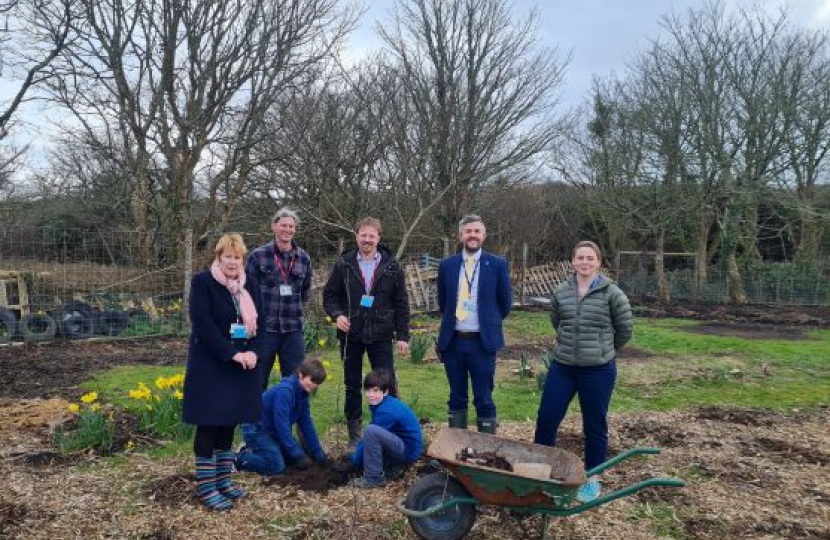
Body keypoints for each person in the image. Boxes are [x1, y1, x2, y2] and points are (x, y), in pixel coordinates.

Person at [533, 240, 633, 503]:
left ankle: (592, 479)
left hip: (597, 371)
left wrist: (602, 351)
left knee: (594, 425)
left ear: (598, 262)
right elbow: (557, 321)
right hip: (563, 367)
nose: (585, 262)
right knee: (546, 418)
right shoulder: (562, 290)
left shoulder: (613, 293)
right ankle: (541, 471)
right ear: (573, 261)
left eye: (590, 258)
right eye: (580, 258)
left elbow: (625, 330)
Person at [182, 233, 262, 511]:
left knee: (229, 421)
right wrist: (231, 353)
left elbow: (261, 322)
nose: (232, 262)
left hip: (240, 365)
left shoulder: (248, 285)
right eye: (227, 256)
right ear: (218, 257)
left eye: (237, 257)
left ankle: (223, 481)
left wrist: (253, 351)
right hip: (211, 364)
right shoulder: (203, 283)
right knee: (209, 422)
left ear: (243, 260)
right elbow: (202, 325)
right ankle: (206, 487)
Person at [323, 217, 410, 449]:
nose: (367, 240)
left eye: (372, 236)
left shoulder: (392, 266)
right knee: (352, 384)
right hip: (351, 334)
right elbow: (329, 296)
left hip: (381, 333)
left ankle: (389, 431)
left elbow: (401, 302)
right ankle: (354, 435)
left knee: (386, 383)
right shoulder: (344, 264)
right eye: (363, 235)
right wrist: (337, 315)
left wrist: (402, 336)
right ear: (356, 236)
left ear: (379, 238)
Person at [436, 214, 511, 434]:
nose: (472, 235)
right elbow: (443, 302)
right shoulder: (447, 265)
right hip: (454, 343)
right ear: (460, 235)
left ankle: (486, 448)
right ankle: (457, 446)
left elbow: (504, 303)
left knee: (484, 398)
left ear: (484, 235)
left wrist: (489, 323)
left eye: (477, 231)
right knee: (456, 397)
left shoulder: (497, 264)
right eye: (468, 231)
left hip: (482, 343)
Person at [246, 208, 313, 388]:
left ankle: (288, 416)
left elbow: (305, 292)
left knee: (294, 382)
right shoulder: (258, 256)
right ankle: (255, 416)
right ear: (274, 227)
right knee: (257, 380)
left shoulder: (304, 258)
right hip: (264, 329)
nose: (287, 229)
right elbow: (247, 293)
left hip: (293, 330)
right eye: (283, 225)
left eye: (291, 226)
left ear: (295, 230)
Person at [236, 359, 328, 475]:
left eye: (317, 383)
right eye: (312, 380)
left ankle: (258, 450)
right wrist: (296, 453)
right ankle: (238, 458)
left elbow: (306, 424)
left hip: (272, 431)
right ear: (301, 374)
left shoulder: (303, 394)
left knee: (293, 459)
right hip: (255, 428)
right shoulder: (285, 391)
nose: (314, 385)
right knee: (277, 466)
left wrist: (317, 451)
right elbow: (282, 425)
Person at [350, 369, 423, 489]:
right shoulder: (383, 403)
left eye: (375, 390)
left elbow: (370, 436)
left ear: (385, 392)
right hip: (403, 442)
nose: (370, 394)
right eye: (367, 390)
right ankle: (394, 465)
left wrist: (355, 461)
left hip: (408, 450)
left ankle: (374, 478)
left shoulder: (386, 410)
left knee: (371, 431)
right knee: (372, 433)